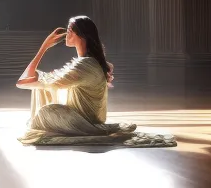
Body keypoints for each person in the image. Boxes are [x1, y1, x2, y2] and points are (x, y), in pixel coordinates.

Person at [15, 16, 176, 148]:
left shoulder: (85, 66)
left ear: (82, 36)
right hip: (89, 118)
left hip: (87, 122)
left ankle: (64, 125)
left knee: (45, 110)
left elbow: (21, 83)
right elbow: (29, 79)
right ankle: (47, 122)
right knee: (41, 83)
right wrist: (44, 49)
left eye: (70, 31)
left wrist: (44, 47)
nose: (66, 35)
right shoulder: (86, 63)